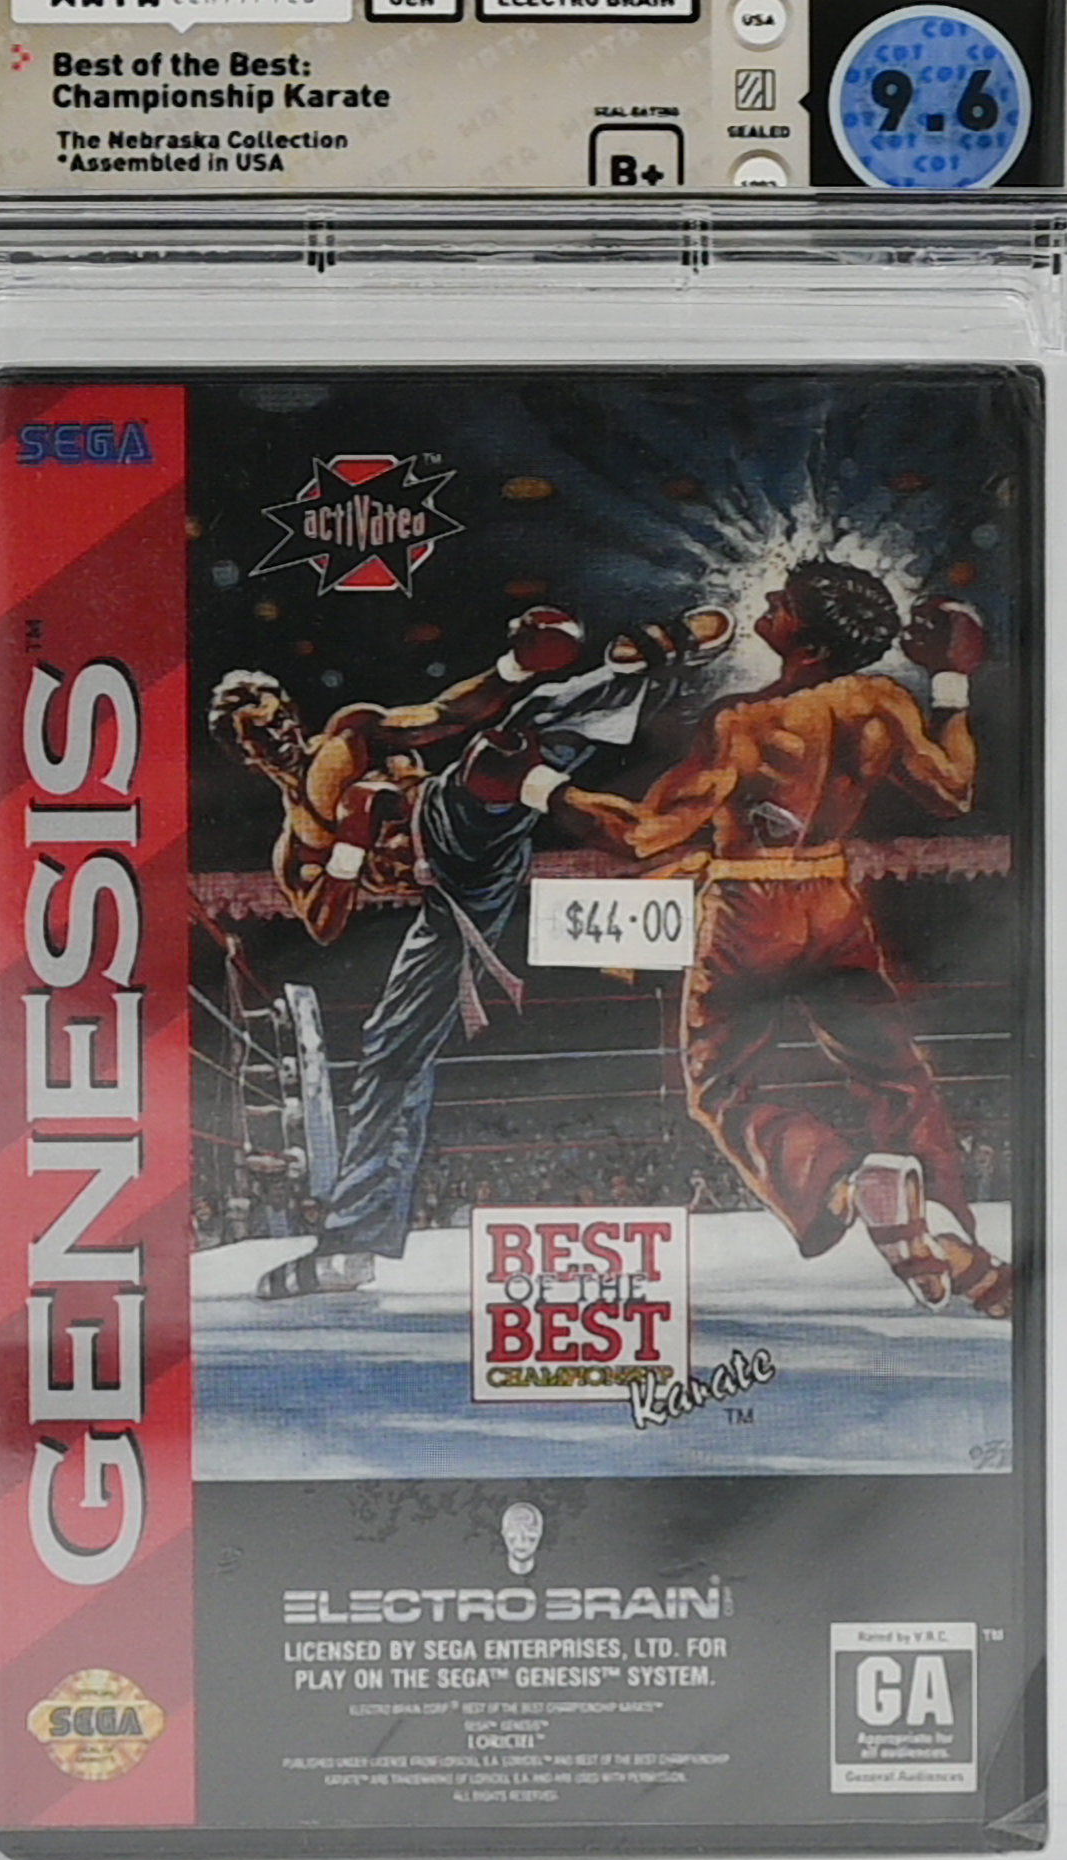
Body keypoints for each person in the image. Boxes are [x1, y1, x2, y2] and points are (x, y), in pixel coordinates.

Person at [474, 560, 1011, 1316]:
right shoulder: (884, 703)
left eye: (783, 603)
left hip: (750, 909)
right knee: (895, 1073)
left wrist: (534, 784)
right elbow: (953, 791)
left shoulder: (743, 723)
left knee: (721, 1084)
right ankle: (953, 1239)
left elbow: (642, 834)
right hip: (833, 899)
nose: (766, 601)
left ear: (809, 643)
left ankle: (846, 1183)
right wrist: (951, 683)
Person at [210, 603, 735, 1299]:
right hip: (453, 905)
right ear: (243, 751)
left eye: (280, 718)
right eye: (261, 731)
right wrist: (351, 848)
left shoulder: (350, 737)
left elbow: (445, 715)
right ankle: (351, 1248)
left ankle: (642, 664)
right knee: (390, 1051)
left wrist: (514, 665)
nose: (279, 733)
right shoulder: (293, 846)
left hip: (456, 825)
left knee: (503, 743)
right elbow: (324, 924)